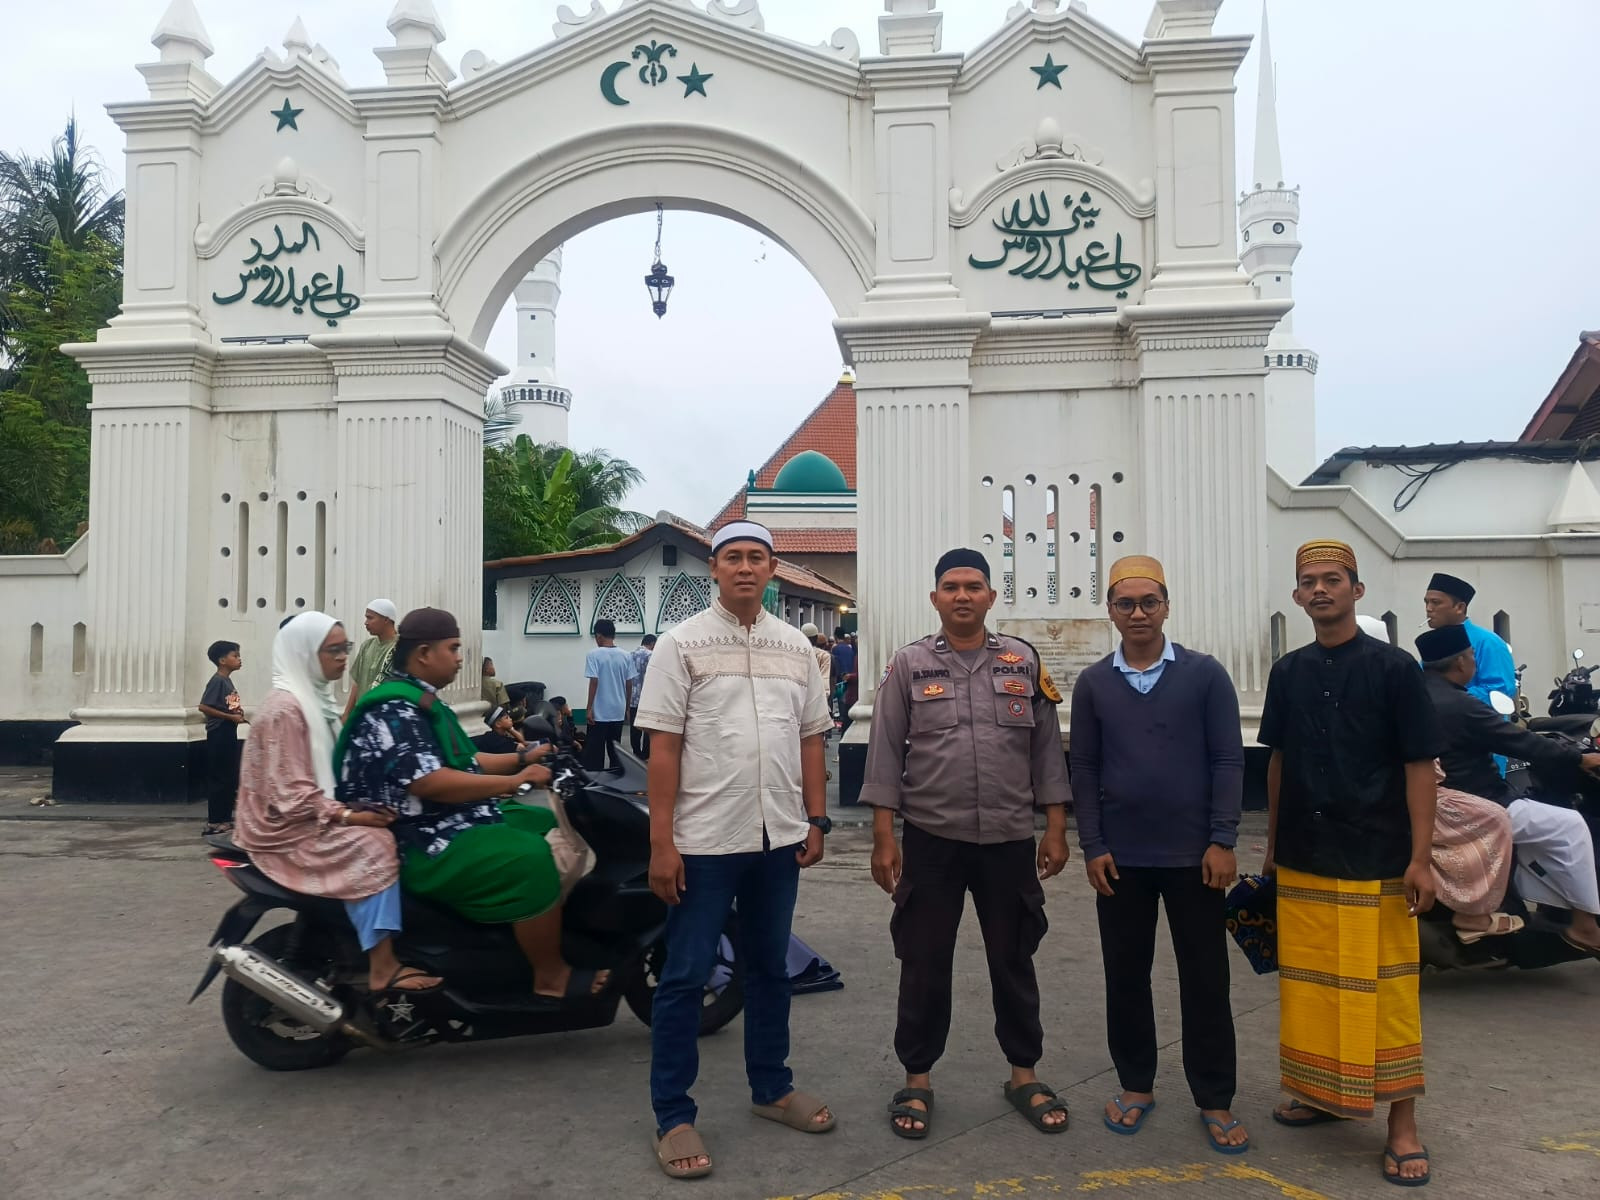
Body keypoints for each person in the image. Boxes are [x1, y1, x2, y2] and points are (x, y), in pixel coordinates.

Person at [635, 520, 835, 1180]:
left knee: (770, 968)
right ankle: (673, 1114)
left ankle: (772, 1088)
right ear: (714, 569)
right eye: (732, 558)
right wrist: (662, 844)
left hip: (778, 839)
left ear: (772, 570)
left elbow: (811, 739)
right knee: (686, 974)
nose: (745, 567)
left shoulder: (795, 647)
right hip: (703, 843)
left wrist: (815, 819)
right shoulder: (681, 644)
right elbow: (664, 749)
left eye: (756, 557)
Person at [864, 548, 1072, 1140]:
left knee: (1014, 957)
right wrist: (883, 835)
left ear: (990, 596)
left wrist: (1056, 826)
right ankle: (917, 1079)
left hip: (1009, 839)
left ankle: (1024, 1074)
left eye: (973, 586)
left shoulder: (1022, 661)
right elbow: (884, 751)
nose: (962, 596)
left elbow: (1045, 750)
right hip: (933, 840)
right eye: (951, 587)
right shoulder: (908, 664)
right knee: (924, 961)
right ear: (935, 598)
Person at [1260, 540, 1440, 1187]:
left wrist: (1421, 858)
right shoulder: (1287, 673)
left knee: (1388, 994)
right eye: (1308, 580)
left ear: (1357, 590)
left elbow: (1420, 765)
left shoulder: (1395, 669)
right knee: (1311, 989)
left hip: (1378, 857)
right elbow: (1278, 762)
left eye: (1332, 579)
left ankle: (1402, 1125)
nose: (1320, 589)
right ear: (1296, 596)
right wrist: (1272, 849)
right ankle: (1321, 1094)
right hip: (1305, 858)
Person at [335, 607, 607, 1001]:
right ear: (424, 653)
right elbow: (431, 782)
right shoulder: (395, 708)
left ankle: (520, 935)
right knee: (530, 859)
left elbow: (465, 760)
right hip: (419, 839)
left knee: (539, 820)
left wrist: (523, 757)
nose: (461, 658)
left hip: (444, 819)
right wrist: (513, 781)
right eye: (453, 648)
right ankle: (550, 975)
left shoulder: (420, 700)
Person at [1069, 555, 1248, 1153]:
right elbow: (1084, 766)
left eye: (1150, 602)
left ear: (1167, 607)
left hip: (1196, 857)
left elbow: (1228, 759)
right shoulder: (1095, 683)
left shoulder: (1205, 675)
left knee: (1206, 979)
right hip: (1122, 859)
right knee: (1126, 976)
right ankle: (1136, 1084)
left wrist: (1223, 839)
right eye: (1126, 603)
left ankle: (1215, 1097)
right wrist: (1093, 845)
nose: (1139, 613)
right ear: (1111, 611)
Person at [234, 612, 440, 993]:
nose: (344, 657)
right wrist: (349, 816)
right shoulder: (286, 710)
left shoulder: (314, 697)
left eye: (345, 647)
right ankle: (383, 965)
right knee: (376, 845)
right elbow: (291, 794)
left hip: (307, 811)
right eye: (333, 650)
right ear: (304, 653)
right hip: (283, 829)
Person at [1416, 622, 1600, 953]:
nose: (1474, 662)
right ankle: (1584, 926)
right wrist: (1580, 758)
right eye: (1472, 656)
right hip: (1477, 801)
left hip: (1429, 801)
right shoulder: (1463, 705)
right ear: (1461, 662)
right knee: (1570, 826)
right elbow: (1519, 741)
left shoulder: (1415, 697)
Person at [1422, 573, 1514, 707]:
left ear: (1460, 608)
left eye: (1436, 603)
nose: (1428, 608)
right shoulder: (1432, 643)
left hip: (1476, 718)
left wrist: (1447, 697)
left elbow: (1500, 691)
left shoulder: (1488, 642)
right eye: (1426, 602)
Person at [198, 639, 246, 836]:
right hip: (219, 732)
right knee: (220, 777)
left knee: (227, 777)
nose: (239, 659)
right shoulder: (217, 681)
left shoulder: (228, 682)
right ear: (222, 660)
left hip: (228, 731)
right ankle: (215, 821)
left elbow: (232, 705)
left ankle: (225, 819)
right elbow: (204, 707)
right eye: (235, 656)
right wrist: (230, 717)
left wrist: (238, 712)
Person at [584, 619, 635, 771]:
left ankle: (597, 779)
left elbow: (594, 681)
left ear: (599, 636)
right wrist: (627, 707)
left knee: (595, 752)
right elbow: (629, 684)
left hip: (599, 712)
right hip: (618, 710)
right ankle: (616, 777)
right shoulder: (626, 655)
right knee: (615, 750)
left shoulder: (593, 655)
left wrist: (589, 708)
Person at [342, 600, 399, 721]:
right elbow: (357, 682)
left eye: (370, 618)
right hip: (362, 715)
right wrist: (347, 714)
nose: (366, 622)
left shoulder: (400, 648)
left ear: (386, 619)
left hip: (385, 718)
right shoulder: (366, 646)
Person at [629, 635, 657, 759]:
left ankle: (636, 752)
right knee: (647, 727)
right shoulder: (650, 655)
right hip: (647, 698)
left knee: (634, 727)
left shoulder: (630, 655)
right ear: (652, 644)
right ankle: (646, 753)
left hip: (632, 697)